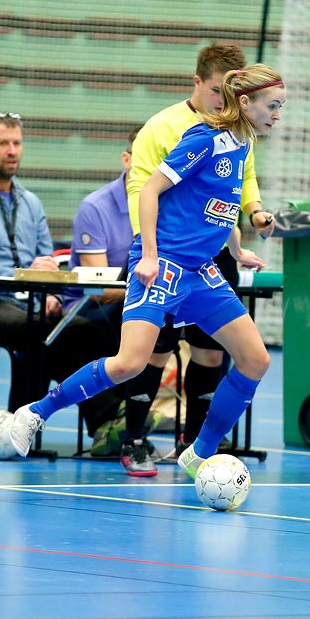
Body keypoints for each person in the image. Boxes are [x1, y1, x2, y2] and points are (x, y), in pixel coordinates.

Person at [9, 64, 287, 483]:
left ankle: (200, 452)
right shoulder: (204, 139)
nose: (278, 114)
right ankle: (34, 413)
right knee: (129, 364)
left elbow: (221, 207)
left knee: (255, 359)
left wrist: (237, 249)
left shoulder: (242, 146)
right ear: (245, 103)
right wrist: (150, 255)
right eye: (274, 105)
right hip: (164, 264)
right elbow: (151, 189)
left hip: (201, 270)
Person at [125, 43, 275, 448]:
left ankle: (195, 445)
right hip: (164, 254)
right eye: (215, 90)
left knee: (212, 353)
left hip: (211, 256)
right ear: (197, 83)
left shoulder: (242, 135)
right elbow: (142, 186)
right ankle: (134, 441)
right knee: (150, 353)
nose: (222, 99)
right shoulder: (163, 127)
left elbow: (242, 181)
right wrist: (150, 249)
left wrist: (255, 212)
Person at [0, 111, 114, 429]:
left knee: (85, 329)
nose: (11, 150)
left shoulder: (30, 202)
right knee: (38, 332)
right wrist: (25, 273)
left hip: (27, 302)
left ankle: (26, 424)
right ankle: (104, 418)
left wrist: (50, 294)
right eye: (3, 143)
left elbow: (45, 260)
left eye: (17, 143)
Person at [66, 128, 169, 475]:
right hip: (92, 307)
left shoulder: (168, 205)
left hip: (143, 298)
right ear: (127, 160)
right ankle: (119, 422)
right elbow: (99, 287)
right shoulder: (96, 207)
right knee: (121, 320)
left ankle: (194, 430)